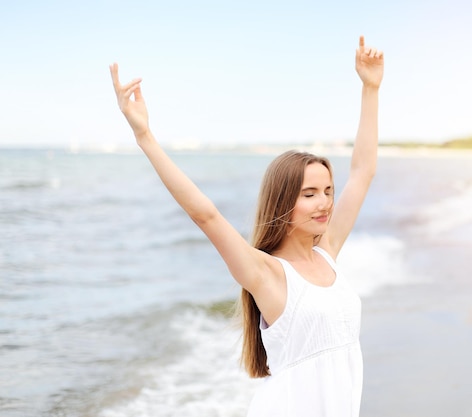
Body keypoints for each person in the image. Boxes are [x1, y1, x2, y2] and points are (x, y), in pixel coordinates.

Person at [110, 35, 384, 417]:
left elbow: (362, 172)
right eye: (308, 194)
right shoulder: (267, 274)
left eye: (327, 191)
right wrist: (145, 136)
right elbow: (205, 214)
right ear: (282, 201)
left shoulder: (329, 254)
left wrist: (370, 89)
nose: (323, 202)